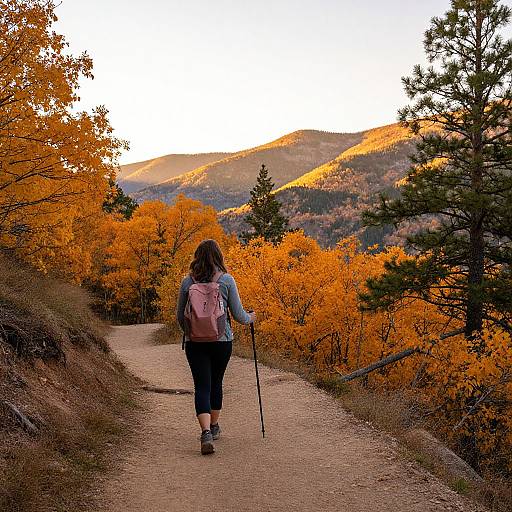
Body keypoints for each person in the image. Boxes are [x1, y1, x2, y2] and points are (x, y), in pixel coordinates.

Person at [176, 239, 256, 455]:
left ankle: (205, 433)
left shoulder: (187, 282)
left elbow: (179, 316)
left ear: (197, 257)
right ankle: (214, 426)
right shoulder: (226, 281)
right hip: (222, 341)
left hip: (195, 343)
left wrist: (191, 331)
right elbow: (239, 316)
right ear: (219, 257)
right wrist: (252, 317)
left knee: (202, 385)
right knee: (216, 382)